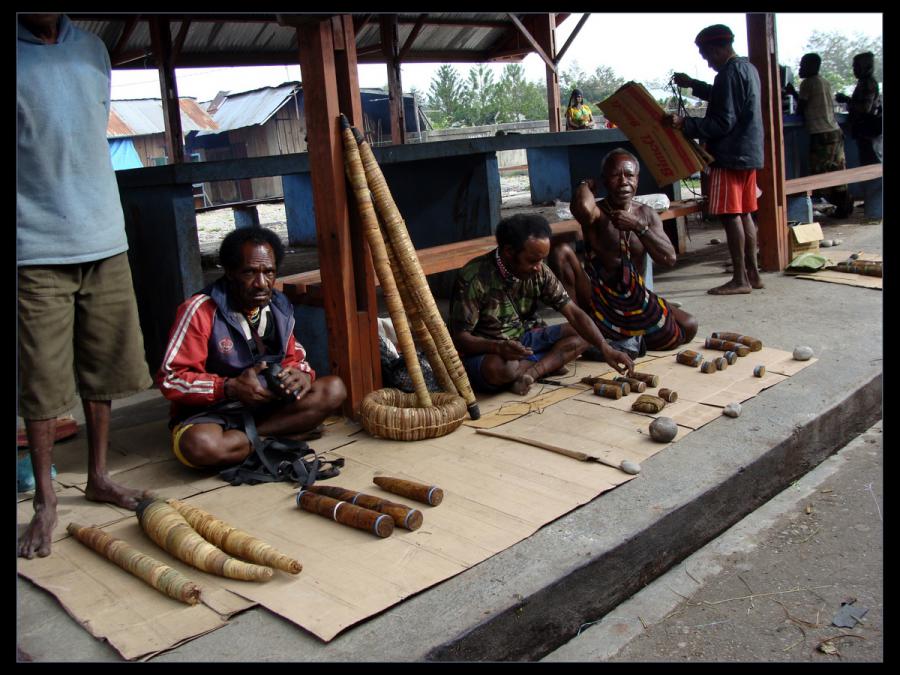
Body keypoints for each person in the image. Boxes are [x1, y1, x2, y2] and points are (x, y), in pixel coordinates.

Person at [17, 14, 155, 559]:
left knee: (105, 367)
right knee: (42, 379)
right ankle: (46, 502)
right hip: (34, 245)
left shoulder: (93, 49)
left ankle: (99, 475)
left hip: (104, 236)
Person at [158, 227, 347, 469]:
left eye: (269, 272)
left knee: (333, 389)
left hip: (267, 406)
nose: (261, 283)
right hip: (216, 412)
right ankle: (284, 434)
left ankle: (256, 438)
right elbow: (171, 379)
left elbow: (295, 358)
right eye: (249, 272)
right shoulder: (200, 310)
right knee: (201, 446)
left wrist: (302, 375)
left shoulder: (278, 306)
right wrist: (229, 388)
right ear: (229, 273)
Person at [449, 213, 634, 397]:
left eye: (542, 260)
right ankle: (546, 364)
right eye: (532, 260)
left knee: (586, 332)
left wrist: (604, 347)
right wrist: (498, 347)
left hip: (525, 340)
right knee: (501, 368)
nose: (539, 267)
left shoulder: (539, 271)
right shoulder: (474, 277)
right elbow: (460, 339)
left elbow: (574, 314)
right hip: (488, 351)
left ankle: (531, 373)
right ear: (508, 252)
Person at [551, 149, 698, 356]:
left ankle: (618, 340)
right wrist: (585, 185)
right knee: (561, 251)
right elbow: (583, 207)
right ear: (604, 180)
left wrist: (639, 227)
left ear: (637, 179)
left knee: (689, 325)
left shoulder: (645, 214)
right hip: (599, 299)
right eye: (615, 175)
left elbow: (669, 258)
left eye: (629, 175)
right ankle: (586, 327)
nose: (623, 182)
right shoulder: (597, 213)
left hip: (636, 299)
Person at [663, 24, 765, 295]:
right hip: (749, 153)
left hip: (728, 156)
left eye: (707, 55)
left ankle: (740, 279)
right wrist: (692, 84)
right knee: (744, 213)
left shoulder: (728, 75)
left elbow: (722, 121)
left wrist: (685, 123)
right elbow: (724, 98)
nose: (707, 62)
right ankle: (753, 275)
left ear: (718, 49)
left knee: (731, 215)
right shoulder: (748, 69)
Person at [797, 53, 853, 218]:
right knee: (838, 172)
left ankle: (838, 206)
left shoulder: (808, 83)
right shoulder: (825, 82)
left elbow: (801, 108)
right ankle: (844, 206)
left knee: (820, 174)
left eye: (802, 65)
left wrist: (792, 93)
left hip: (820, 134)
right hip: (834, 131)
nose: (800, 68)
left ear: (812, 66)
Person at [835, 52, 882, 220]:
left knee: (873, 168)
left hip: (869, 133)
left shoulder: (868, 84)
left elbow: (865, 108)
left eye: (856, 66)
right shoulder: (864, 83)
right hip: (865, 133)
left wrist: (847, 100)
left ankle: (876, 204)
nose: (854, 70)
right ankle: (872, 200)